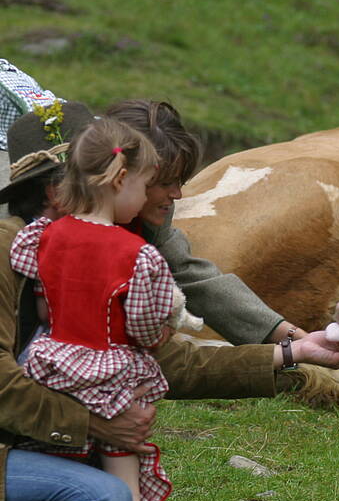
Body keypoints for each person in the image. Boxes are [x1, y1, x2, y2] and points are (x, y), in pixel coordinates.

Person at [0, 102, 339, 501]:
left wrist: (294, 349)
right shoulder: (15, 250)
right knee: (103, 499)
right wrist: (91, 420)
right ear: (65, 189)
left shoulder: (111, 244)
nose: (175, 195)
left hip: (29, 436)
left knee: (95, 477)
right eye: (161, 181)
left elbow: (179, 345)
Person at [10, 116, 181, 501]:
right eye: (147, 184)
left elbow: (41, 305)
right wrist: (160, 333)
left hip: (51, 367)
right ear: (120, 180)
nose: (146, 198)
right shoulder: (138, 255)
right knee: (122, 478)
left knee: (56, 462)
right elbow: (146, 328)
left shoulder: (43, 234)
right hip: (110, 377)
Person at [106, 99, 307, 345]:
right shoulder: (63, 229)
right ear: (122, 178)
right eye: (165, 183)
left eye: (180, 181)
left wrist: (293, 338)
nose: (177, 194)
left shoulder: (149, 220)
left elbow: (190, 275)